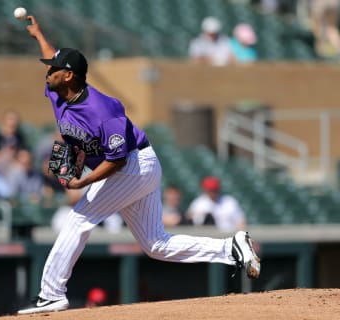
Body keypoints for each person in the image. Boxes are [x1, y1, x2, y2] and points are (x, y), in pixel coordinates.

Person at [17, 15, 260, 315]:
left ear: (68, 76)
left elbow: (117, 159)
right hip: (133, 169)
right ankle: (231, 248)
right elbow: (54, 55)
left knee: (79, 219)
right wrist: (38, 34)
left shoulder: (103, 109)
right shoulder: (58, 94)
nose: (47, 72)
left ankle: (51, 294)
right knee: (155, 244)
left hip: (134, 164)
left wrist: (82, 182)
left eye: (53, 70)